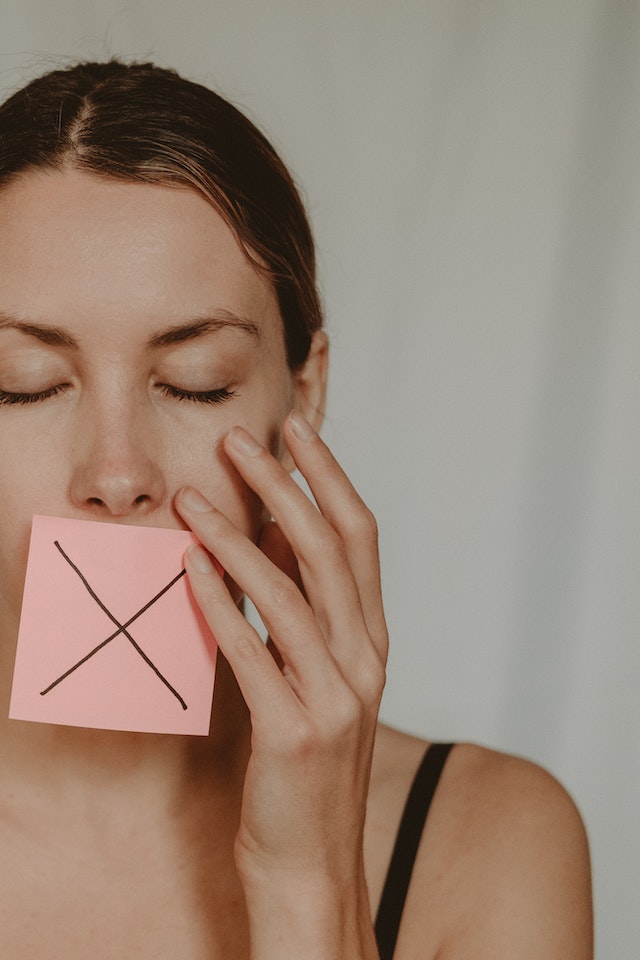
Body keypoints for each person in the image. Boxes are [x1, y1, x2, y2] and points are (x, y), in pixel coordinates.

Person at [0, 60, 592, 959]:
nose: (116, 475)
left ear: (301, 398)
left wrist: (311, 887)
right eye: (24, 385)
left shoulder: (483, 839)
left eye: (195, 386)